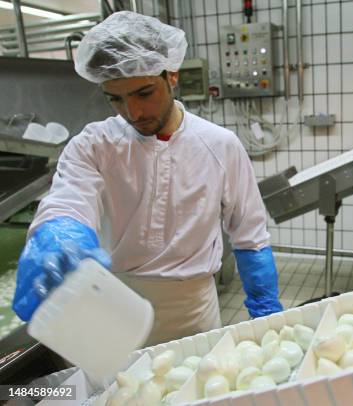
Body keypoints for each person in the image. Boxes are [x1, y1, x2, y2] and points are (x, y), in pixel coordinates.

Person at [12, 11, 283, 346]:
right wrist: (59, 234)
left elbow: (250, 236)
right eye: (116, 98)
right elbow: (68, 201)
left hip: (192, 311)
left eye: (143, 93)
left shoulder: (219, 145)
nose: (133, 113)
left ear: (171, 75)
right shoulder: (93, 146)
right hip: (114, 309)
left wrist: (264, 306)